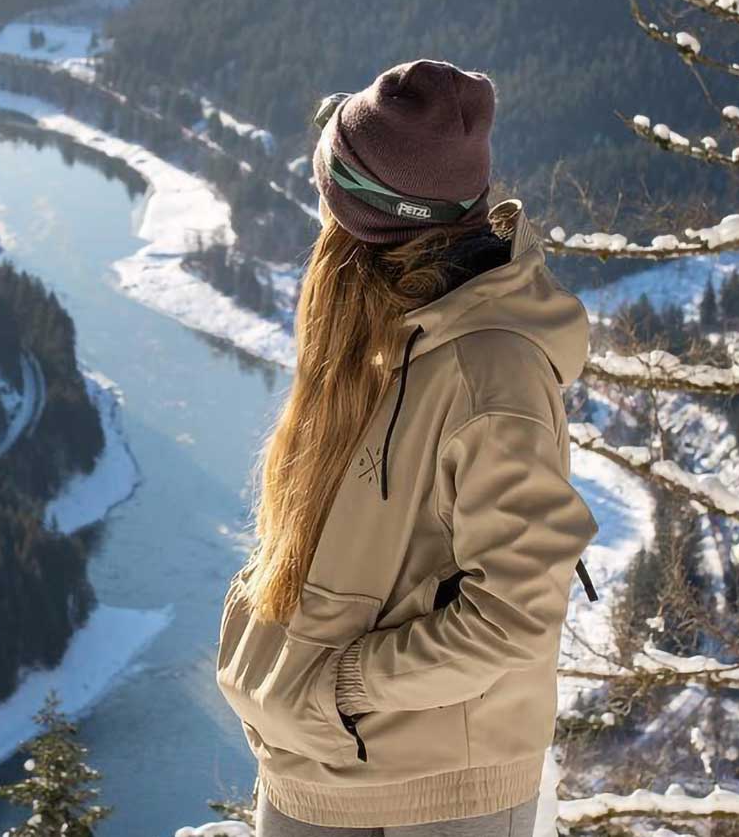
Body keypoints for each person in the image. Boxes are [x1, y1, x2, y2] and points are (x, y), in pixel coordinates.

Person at [216, 59, 598, 836]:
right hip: (314, 761)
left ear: (367, 220)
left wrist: (342, 684)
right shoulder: (384, 332)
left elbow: (515, 617)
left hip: (437, 789)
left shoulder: (493, 377)